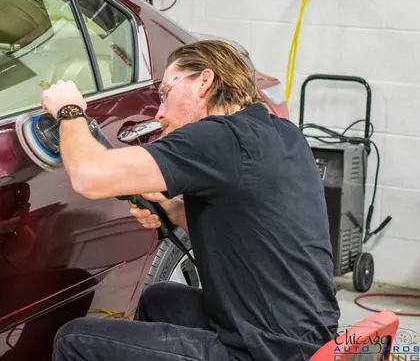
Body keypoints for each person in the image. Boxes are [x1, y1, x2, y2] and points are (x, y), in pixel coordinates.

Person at [39, 40, 340, 361]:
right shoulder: (280, 132)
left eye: (165, 92)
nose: (160, 112)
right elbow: (244, 219)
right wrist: (172, 209)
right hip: (308, 337)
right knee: (159, 298)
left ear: (204, 82)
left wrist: (69, 112)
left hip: (263, 353)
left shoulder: (219, 137)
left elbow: (89, 176)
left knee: (75, 339)